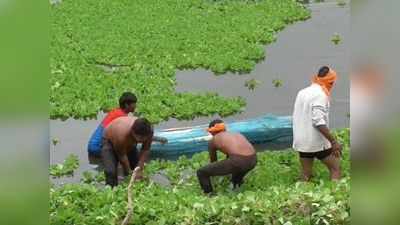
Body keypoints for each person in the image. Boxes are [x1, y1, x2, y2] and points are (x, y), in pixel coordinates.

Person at [292, 66, 342, 181]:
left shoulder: (302, 92)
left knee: (306, 174)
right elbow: (318, 121)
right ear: (330, 82)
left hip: (301, 141)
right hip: (316, 142)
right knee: (335, 167)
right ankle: (337, 193)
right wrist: (333, 142)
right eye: (332, 82)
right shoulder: (320, 95)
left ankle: (301, 196)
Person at [196, 119, 257, 194]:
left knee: (201, 172)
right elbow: (231, 155)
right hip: (253, 160)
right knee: (236, 180)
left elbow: (214, 161)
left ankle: (209, 195)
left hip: (238, 161)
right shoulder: (236, 134)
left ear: (212, 131)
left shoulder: (213, 140)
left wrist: (213, 173)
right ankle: (237, 186)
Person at [102, 116, 155, 187]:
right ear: (133, 132)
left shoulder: (149, 131)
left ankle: (136, 190)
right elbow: (122, 156)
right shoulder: (121, 135)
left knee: (137, 169)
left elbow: (145, 149)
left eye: (144, 138)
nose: (142, 141)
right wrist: (129, 173)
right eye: (140, 138)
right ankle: (112, 191)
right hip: (109, 141)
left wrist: (139, 167)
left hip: (130, 142)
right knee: (111, 171)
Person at [87, 92, 137, 157]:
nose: (135, 106)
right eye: (134, 104)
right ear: (126, 105)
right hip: (96, 147)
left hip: (92, 146)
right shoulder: (121, 117)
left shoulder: (116, 111)